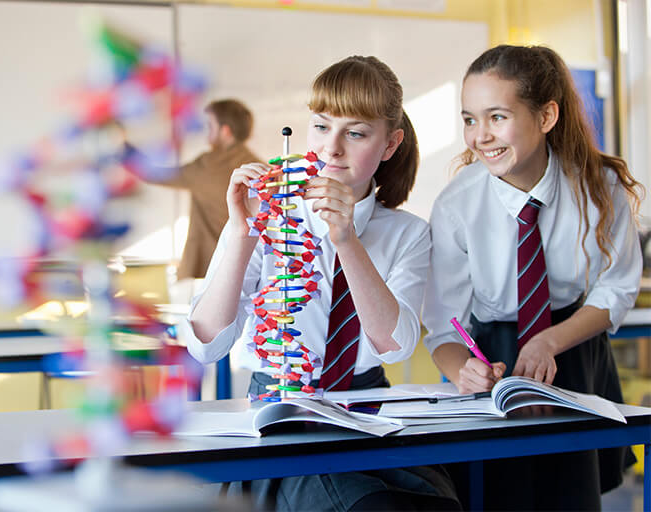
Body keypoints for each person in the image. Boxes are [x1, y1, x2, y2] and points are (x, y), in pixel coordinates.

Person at [182, 56, 460, 511]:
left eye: (356, 133)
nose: (331, 149)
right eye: (320, 126)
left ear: (390, 144)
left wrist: (346, 240)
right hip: (279, 416)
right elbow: (207, 347)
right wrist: (239, 232)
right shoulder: (269, 218)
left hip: (367, 412)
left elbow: (396, 345)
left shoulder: (407, 232)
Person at [422, 44, 644, 510]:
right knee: (498, 495)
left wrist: (549, 342)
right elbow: (444, 327)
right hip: (494, 361)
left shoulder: (599, 188)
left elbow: (616, 287)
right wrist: (461, 370)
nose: (479, 136)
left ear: (546, 117)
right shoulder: (457, 205)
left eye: (496, 117)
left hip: (573, 350)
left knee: (572, 496)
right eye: (469, 119)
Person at [144, 99, 262, 280]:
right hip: (251, 267)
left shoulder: (208, 165)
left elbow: (155, 173)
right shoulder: (258, 166)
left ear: (225, 131)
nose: (206, 133)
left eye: (209, 126)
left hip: (207, 268)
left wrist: (122, 151)